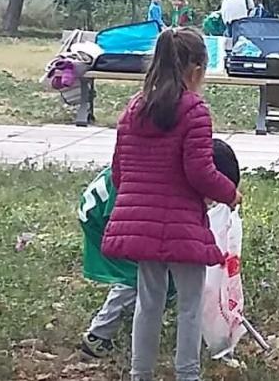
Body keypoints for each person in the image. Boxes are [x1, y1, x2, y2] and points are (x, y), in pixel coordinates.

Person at [101, 27, 242, 381]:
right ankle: (187, 374)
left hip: (143, 226)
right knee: (190, 306)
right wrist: (230, 193)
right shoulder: (194, 110)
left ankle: (140, 374)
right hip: (182, 224)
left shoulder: (135, 108)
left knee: (148, 303)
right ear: (196, 69)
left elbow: (119, 171)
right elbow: (199, 171)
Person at [78, 139, 242, 359]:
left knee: (157, 275)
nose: (211, 202)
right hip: (105, 217)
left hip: (113, 210)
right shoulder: (164, 181)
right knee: (139, 275)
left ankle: (136, 322)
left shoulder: (173, 167)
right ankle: (98, 335)